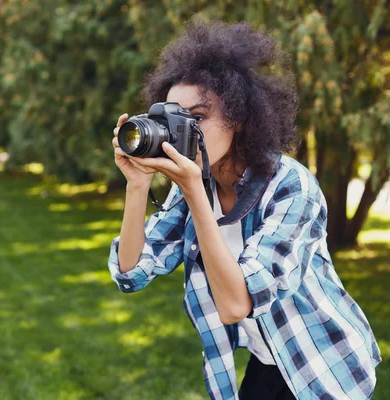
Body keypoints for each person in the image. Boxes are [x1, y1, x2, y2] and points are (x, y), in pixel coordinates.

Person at [108, 21, 381, 400]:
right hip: (267, 362)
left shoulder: (290, 186)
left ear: (236, 117)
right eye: (172, 120)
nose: (182, 132)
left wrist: (193, 194)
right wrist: (137, 186)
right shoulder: (196, 183)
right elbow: (131, 272)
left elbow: (237, 304)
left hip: (324, 366)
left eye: (197, 118)